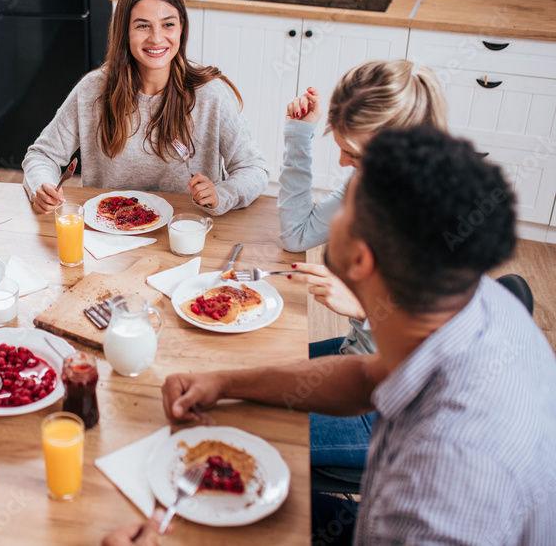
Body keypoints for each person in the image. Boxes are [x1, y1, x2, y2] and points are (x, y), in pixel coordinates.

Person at [163, 126, 556, 545]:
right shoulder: (475, 299)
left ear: (360, 257)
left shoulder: (437, 488)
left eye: (345, 203)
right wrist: (224, 382)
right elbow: (368, 376)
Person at [277, 60, 449, 471]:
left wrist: (362, 309)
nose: (340, 163)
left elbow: (438, 352)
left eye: (352, 153)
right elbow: (296, 234)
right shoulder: (365, 184)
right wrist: (300, 135)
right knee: (249, 384)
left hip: (398, 410)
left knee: (266, 434)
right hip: (361, 361)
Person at [22, 0, 267, 216]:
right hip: (108, 237)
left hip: (184, 233)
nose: (156, 38)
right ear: (125, 30)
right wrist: (41, 187)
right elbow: (42, 155)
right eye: (142, 26)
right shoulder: (92, 91)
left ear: (181, 26)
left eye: (168, 24)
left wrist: (223, 193)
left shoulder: (210, 95)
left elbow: (253, 169)